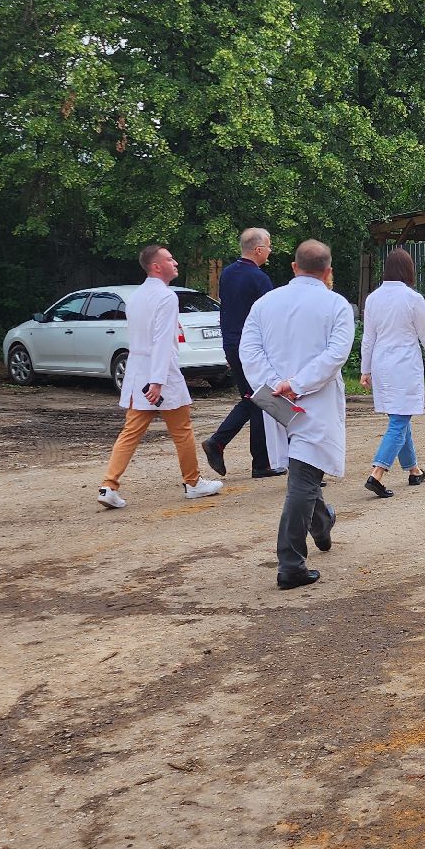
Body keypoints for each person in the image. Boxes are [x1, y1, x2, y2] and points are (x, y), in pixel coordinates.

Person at [239, 240, 354, 590]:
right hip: (312, 401)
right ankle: (290, 563)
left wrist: (275, 383)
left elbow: (249, 350)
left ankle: (322, 523)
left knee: (304, 472)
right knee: (303, 479)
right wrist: (297, 383)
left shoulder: (265, 303)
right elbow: (336, 355)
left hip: (276, 400)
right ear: (328, 271)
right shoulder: (336, 305)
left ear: (293, 267)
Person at [97, 244, 224, 508]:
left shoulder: (136, 297)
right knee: (182, 430)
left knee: (131, 431)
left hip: (138, 370)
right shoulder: (166, 297)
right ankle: (193, 483)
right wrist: (157, 381)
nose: (175, 262)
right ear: (156, 266)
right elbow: (163, 341)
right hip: (159, 372)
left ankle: (109, 485)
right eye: (169, 259)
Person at [358, 248, 425, 498]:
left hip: (381, 364)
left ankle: (414, 470)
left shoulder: (373, 298)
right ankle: (377, 474)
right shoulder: (412, 298)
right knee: (399, 420)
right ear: (408, 270)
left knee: (399, 418)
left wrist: (365, 369)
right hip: (404, 365)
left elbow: (368, 339)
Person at [201, 228, 283, 479]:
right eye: (269, 246)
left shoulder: (227, 274)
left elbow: (226, 313)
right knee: (258, 399)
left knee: (257, 400)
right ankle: (218, 442)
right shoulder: (259, 279)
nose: (270, 251)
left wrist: (228, 348)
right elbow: (270, 319)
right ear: (258, 250)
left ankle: (261, 463)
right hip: (253, 348)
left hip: (233, 345)